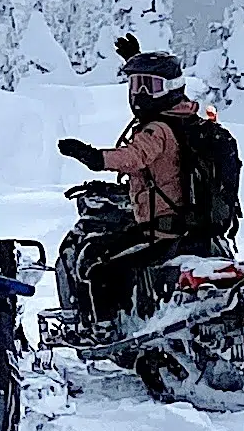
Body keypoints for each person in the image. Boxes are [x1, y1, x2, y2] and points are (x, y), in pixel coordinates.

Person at [58, 37, 227, 326]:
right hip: (187, 226)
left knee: (97, 263)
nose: (142, 93)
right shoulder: (186, 119)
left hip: (162, 232)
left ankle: (104, 327)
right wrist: (135, 61)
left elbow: (133, 157)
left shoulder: (157, 130)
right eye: (137, 84)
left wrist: (91, 156)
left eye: (152, 86)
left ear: (172, 88)